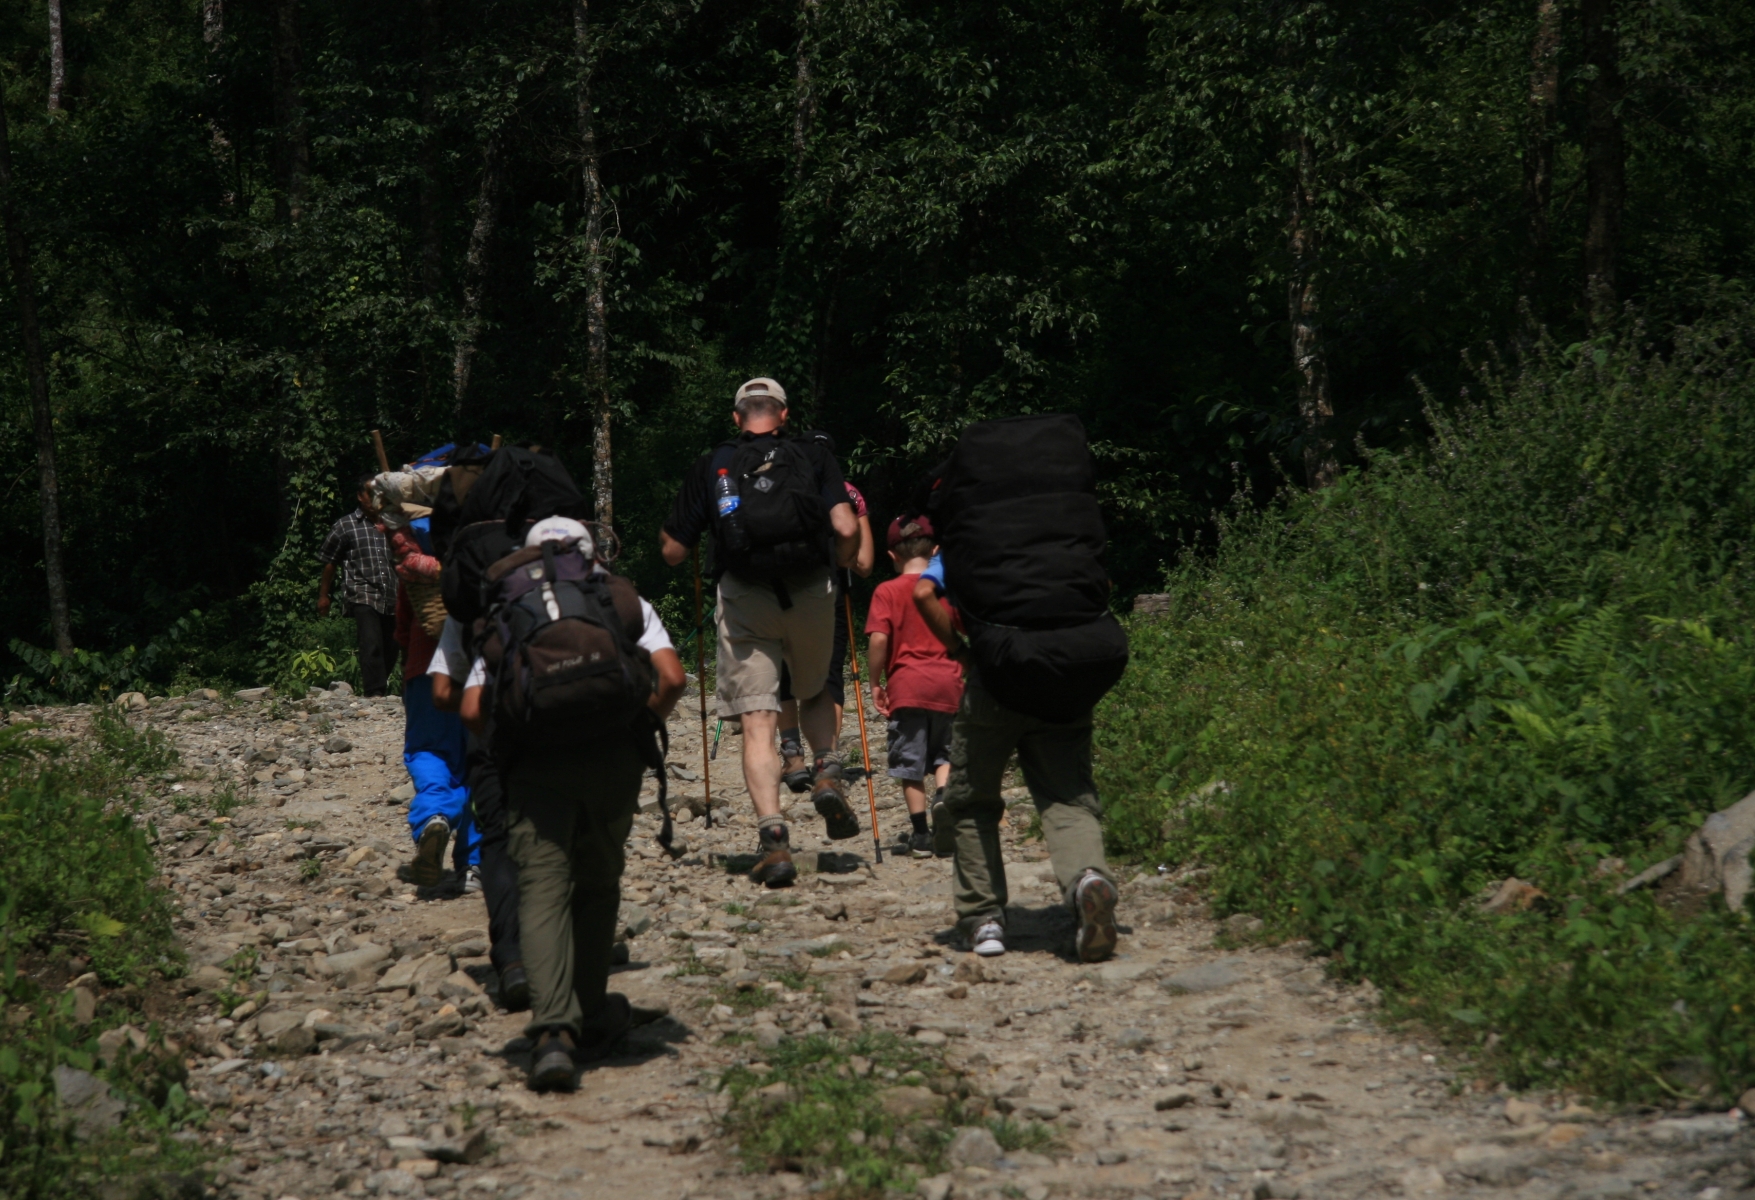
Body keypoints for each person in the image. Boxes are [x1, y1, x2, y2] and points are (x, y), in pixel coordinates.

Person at [461, 517, 686, 1091]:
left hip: (536, 763)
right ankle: (588, 1016)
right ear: (590, 555)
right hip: (613, 757)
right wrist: (638, 728)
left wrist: (510, 741)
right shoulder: (618, 597)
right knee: (597, 883)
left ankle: (553, 1031)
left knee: (542, 887)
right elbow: (674, 679)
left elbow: (469, 711)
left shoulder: (512, 603)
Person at [659, 378, 861, 888]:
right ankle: (827, 770)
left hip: (747, 597)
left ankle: (773, 839)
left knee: (757, 720)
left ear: (737, 417)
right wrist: (837, 572)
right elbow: (845, 527)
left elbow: (673, 552)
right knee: (814, 689)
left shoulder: (715, 464)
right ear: (783, 413)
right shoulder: (813, 455)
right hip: (812, 590)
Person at [431, 617, 528, 1011]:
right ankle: (581, 948)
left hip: (496, 740)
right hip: (567, 739)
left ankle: (513, 960)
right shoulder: (573, 580)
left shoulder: (472, 605)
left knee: (500, 842)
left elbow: (444, 694)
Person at [388, 516, 480, 890]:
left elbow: (402, 628)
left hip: (425, 672)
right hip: (479, 671)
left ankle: (434, 814)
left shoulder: (414, 566)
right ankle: (474, 866)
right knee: (478, 762)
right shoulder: (482, 558)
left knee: (428, 751)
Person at [866, 514, 963, 858]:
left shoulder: (887, 591)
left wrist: (875, 681)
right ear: (936, 549)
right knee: (945, 755)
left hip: (906, 687)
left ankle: (921, 834)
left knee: (910, 762)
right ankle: (943, 797)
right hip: (949, 685)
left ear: (891, 555)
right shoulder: (945, 589)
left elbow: (879, 639)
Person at [778, 468, 875, 792]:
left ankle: (793, 760)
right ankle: (827, 762)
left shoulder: (783, 484)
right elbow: (863, 564)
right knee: (829, 674)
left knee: (785, 676)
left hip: (778, 592)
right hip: (828, 594)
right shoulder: (847, 493)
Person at [317, 474, 399, 696]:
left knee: (392, 645)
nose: (375, 500)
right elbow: (330, 563)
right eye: (370, 495)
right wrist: (324, 596)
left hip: (391, 592)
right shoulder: (346, 526)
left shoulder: (392, 523)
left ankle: (378, 686)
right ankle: (375, 692)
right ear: (360, 496)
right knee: (371, 642)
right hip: (362, 592)